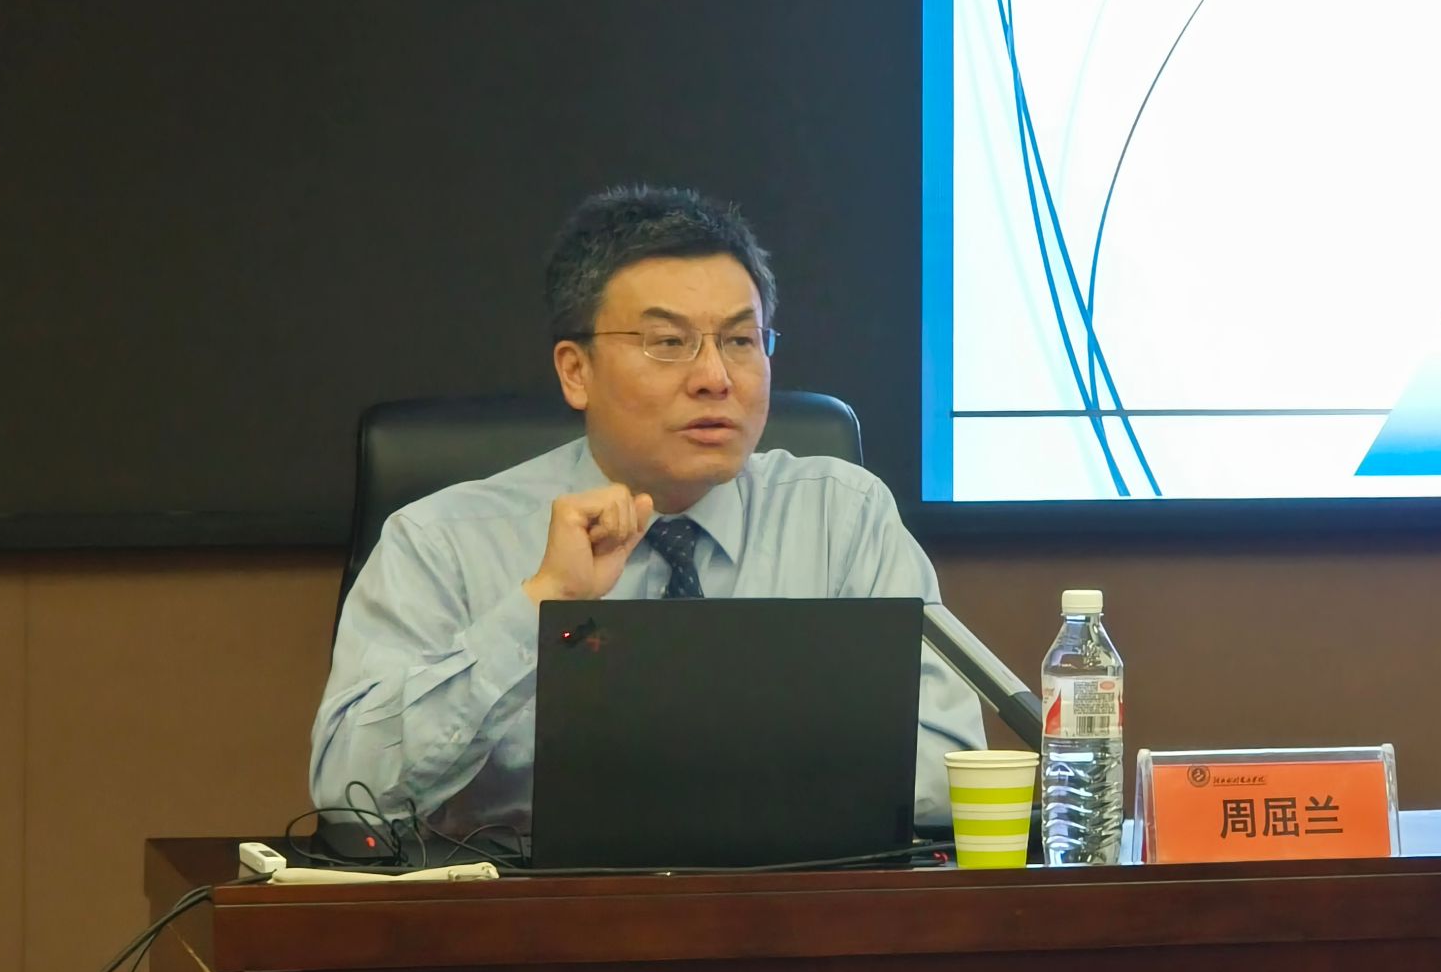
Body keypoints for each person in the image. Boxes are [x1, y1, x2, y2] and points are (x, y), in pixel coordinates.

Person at [310, 183, 983, 836]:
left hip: (793, 898)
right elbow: (350, 793)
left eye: (741, 341)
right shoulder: (441, 541)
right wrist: (539, 607)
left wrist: (720, 772)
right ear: (576, 371)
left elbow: (953, 767)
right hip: (537, 905)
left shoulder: (842, 518)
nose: (715, 378)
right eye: (668, 342)